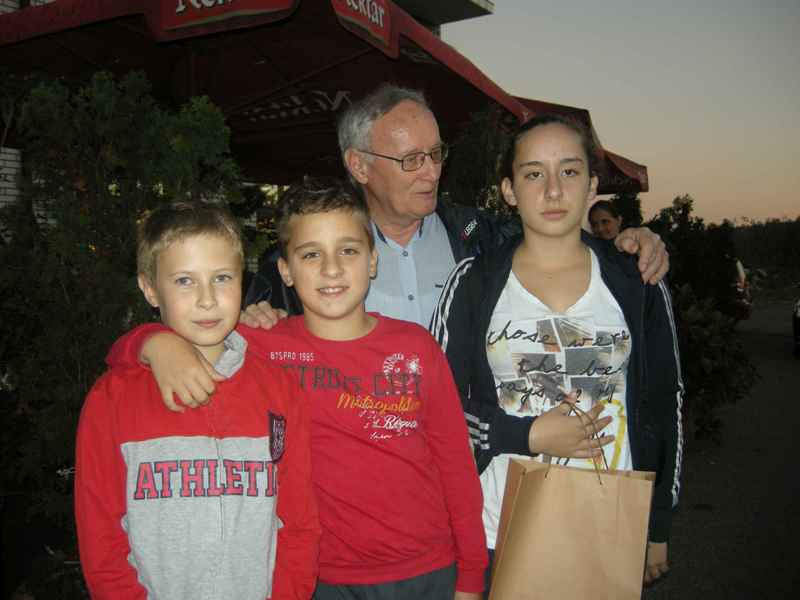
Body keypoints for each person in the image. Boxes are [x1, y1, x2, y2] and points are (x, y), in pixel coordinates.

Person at [106, 178, 488, 599]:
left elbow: (457, 469)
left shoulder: (416, 348)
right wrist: (153, 343)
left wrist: (472, 577)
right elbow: (135, 350)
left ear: (373, 260)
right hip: (322, 578)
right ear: (286, 271)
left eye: (348, 250)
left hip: (428, 571)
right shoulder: (261, 345)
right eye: (311, 254)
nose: (331, 269)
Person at [429, 115, 684, 589]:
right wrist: (524, 435)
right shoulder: (473, 283)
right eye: (533, 174)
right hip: (497, 523)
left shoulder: (636, 280)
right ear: (509, 190)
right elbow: (436, 407)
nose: (552, 190)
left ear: (592, 186)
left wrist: (658, 524)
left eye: (569, 171)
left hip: (611, 518)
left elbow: (663, 400)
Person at [241, 84, 668, 328]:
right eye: (412, 159)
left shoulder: (480, 237)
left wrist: (626, 245)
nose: (432, 172)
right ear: (359, 165)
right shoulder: (300, 263)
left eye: (436, 153)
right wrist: (250, 322)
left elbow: (558, 248)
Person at [75, 201, 319, 599]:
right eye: (185, 281)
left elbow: (299, 524)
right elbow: (101, 540)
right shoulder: (111, 400)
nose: (207, 299)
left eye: (221, 278)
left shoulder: (279, 390)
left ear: (242, 280)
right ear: (150, 289)